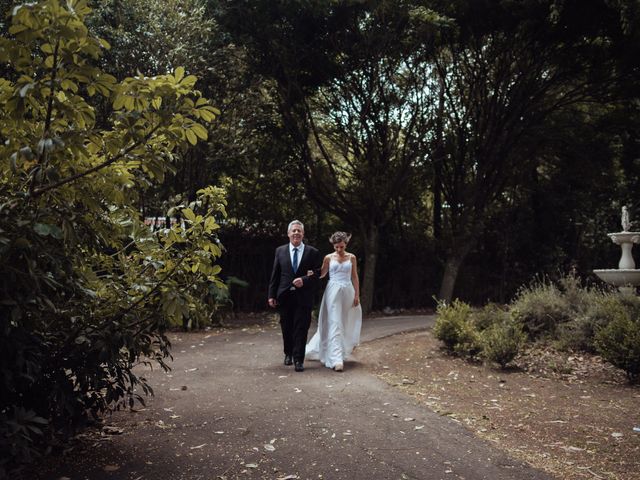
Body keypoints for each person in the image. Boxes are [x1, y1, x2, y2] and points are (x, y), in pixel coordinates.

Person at [268, 220, 322, 372]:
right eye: (294, 231)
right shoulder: (280, 251)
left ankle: (299, 359)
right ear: (288, 234)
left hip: (303, 296)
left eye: (299, 231)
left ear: (303, 234)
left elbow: (318, 273)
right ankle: (288, 354)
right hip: (284, 295)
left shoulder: (313, 252)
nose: (296, 233)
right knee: (286, 327)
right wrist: (271, 295)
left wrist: (304, 280)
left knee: (301, 328)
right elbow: (275, 274)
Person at [306, 231, 362, 372]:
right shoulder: (328, 258)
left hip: (348, 292)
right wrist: (313, 274)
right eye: (336, 247)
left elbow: (354, 277)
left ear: (345, 244)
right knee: (334, 322)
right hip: (333, 292)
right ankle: (336, 359)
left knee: (344, 321)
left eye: (341, 247)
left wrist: (357, 295)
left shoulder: (352, 258)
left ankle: (341, 351)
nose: (338, 250)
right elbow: (323, 273)